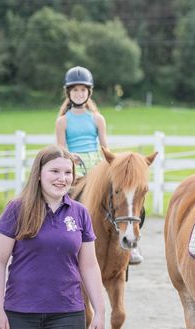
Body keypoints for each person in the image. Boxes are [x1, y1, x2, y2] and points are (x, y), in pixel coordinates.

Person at [0, 145, 105, 329]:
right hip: (20, 317)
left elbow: (89, 265)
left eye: (68, 172)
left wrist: (100, 311)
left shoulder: (80, 213)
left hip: (67, 317)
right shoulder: (17, 209)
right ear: (38, 173)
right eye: (54, 171)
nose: (62, 178)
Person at [55, 66, 143, 264]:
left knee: (124, 196)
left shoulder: (97, 119)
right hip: (74, 167)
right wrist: (70, 157)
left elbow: (105, 148)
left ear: (89, 92)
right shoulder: (62, 121)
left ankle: (132, 244)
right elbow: (60, 149)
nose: (79, 94)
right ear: (68, 93)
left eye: (82, 90)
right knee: (60, 198)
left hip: (96, 165)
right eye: (75, 90)